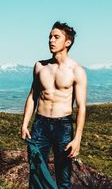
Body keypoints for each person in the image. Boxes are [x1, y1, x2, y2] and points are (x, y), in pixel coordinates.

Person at [21, 21, 87, 189]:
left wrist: (77, 138)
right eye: (50, 36)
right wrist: (24, 124)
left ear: (67, 42)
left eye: (56, 37)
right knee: (36, 173)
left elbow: (81, 107)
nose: (51, 40)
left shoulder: (76, 71)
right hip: (40, 124)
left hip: (63, 126)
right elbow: (32, 97)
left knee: (63, 177)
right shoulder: (40, 66)